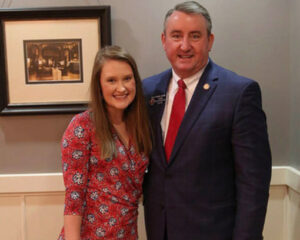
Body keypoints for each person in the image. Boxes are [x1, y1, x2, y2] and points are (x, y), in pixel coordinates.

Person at [142, 1, 272, 239]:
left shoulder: (239, 93)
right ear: (164, 41)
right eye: (176, 35)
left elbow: (253, 185)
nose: (185, 45)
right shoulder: (147, 91)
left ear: (210, 41)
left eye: (195, 36)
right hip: (161, 230)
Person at [57, 45, 152, 240]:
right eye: (111, 80)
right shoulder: (82, 127)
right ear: (99, 86)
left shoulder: (141, 126)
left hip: (128, 234)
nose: (121, 88)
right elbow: (74, 198)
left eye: (127, 78)